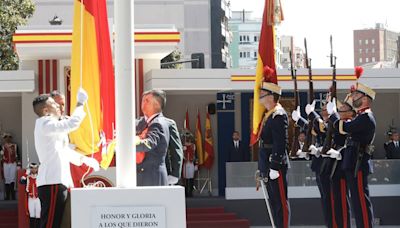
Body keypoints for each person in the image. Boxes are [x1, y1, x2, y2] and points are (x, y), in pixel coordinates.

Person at [33, 90, 99, 228]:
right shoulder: (45, 123)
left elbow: (63, 151)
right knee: (50, 224)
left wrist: (83, 159)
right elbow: (72, 124)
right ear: (46, 111)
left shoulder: (50, 126)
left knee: (58, 222)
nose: (58, 106)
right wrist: (80, 103)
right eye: (53, 104)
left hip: (57, 181)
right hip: (52, 181)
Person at [328, 82, 376, 228]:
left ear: (365, 99)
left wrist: (333, 115)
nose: (353, 97)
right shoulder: (360, 117)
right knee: (357, 203)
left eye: (356, 95)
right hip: (353, 162)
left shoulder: (366, 117)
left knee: (361, 202)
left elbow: (345, 127)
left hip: (358, 164)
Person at [257, 81, 290, 228]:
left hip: (276, 166)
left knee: (281, 203)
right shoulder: (269, 115)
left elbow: (280, 142)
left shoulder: (278, 115)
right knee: (274, 202)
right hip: (268, 164)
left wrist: (275, 166)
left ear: (271, 96)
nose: (260, 95)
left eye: (263, 93)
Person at [135, 89, 170, 186]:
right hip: (147, 176)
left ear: (157, 104)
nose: (143, 103)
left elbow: (149, 143)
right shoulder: (144, 122)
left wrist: (127, 145)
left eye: (147, 100)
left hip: (153, 177)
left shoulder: (158, 123)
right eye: (143, 100)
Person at [20, 163, 41, 228]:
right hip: (31, 199)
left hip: (38, 199)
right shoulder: (28, 178)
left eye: (35, 168)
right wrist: (26, 174)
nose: (34, 170)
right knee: (31, 215)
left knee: (38, 215)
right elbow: (21, 181)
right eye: (32, 168)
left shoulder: (40, 177)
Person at [164, 117, 184, 185]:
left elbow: (176, 148)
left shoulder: (168, 123)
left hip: (163, 172)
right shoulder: (138, 123)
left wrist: (175, 173)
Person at [1, 133, 18, 200]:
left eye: (9, 137)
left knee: (12, 178)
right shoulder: (2, 146)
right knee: (7, 179)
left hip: (13, 163)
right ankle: (7, 196)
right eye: (6, 137)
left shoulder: (15, 146)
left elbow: (17, 155)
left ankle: (13, 196)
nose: (7, 139)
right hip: (5, 164)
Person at [181, 131, 196, 197]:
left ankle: (190, 191)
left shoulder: (193, 146)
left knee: (191, 177)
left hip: (191, 162)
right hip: (185, 163)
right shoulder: (183, 146)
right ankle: (186, 192)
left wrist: (196, 164)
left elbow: (195, 155)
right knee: (185, 178)